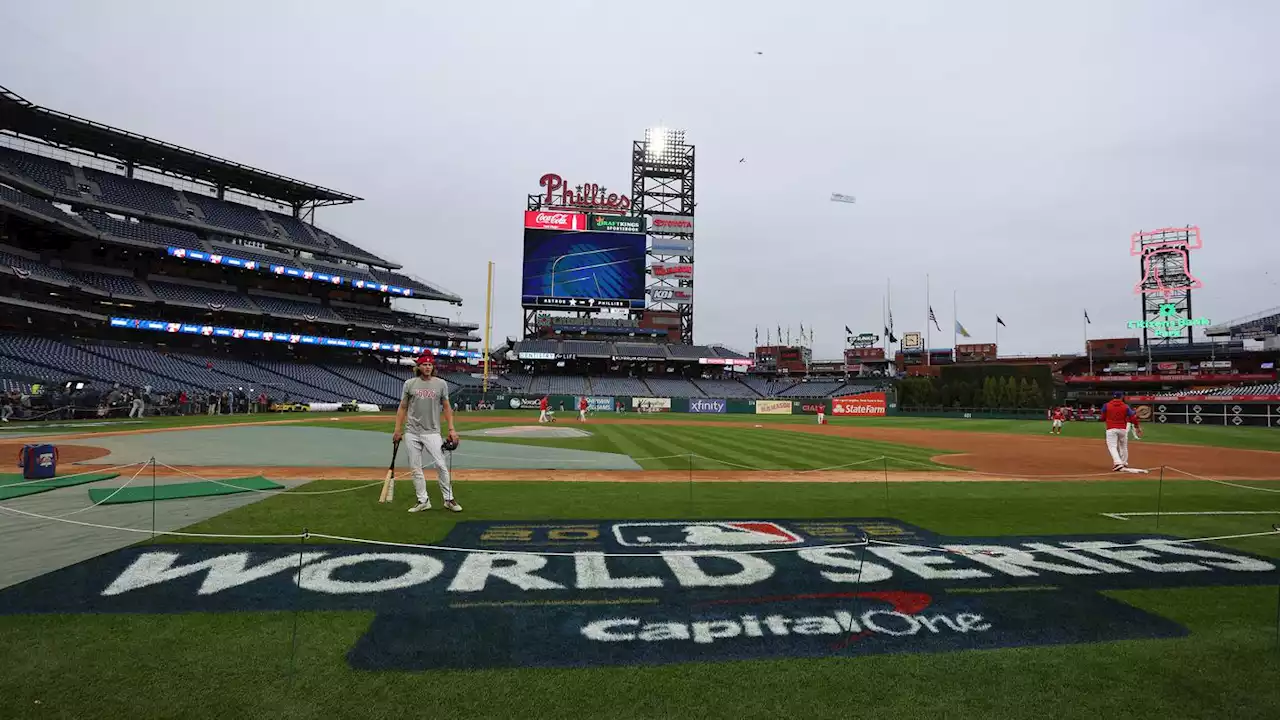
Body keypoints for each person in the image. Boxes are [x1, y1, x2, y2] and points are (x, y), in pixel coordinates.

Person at [392, 351, 462, 513]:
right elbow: (402, 407)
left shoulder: (441, 384)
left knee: (441, 465)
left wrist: (451, 429)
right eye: (424, 364)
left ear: (433, 367)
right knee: (415, 467)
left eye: (430, 365)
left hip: (432, 431)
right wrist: (397, 429)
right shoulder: (410, 384)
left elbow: (446, 407)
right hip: (412, 431)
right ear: (419, 366)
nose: (428, 367)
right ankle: (423, 500)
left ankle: (449, 499)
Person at [1100, 391, 1139, 471]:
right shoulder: (1125, 406)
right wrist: (1137, 426)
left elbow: (1102, 418)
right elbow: (1133, 417)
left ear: (1113, 397)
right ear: (1121, 397)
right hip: (1122, 429)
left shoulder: (1106, 405)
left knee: (1112, 446)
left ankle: (1118, 463)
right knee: (1123, 446)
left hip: (1111, 429)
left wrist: (1108, 418)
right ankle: (1124, 462)